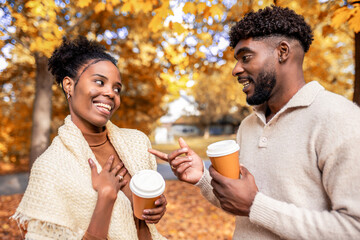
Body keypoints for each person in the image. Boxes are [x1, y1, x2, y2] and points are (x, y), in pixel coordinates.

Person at [149, 5, 360, 239]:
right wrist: (201, 177)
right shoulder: (249, 125)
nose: (235, 69)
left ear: (282, 52)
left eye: (246, 57)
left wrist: (255, 206)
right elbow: (239, 203)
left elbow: (353, 228)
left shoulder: (340, 118)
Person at [12, 36, 167, 240]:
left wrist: (157, 206)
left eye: (116, 88)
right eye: (100, 82)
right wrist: (105, 198)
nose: (110, 93)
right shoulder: (50, 167)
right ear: (69, 85)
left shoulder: (137, 143)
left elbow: (143, 219)